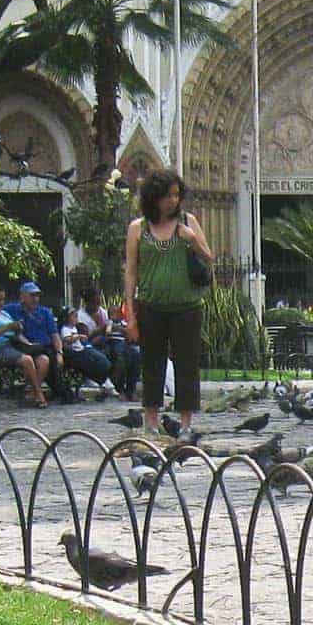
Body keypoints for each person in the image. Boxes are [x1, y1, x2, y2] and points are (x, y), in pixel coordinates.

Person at [123, 167, 212, 442]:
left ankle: (185, 424)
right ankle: (150, 422)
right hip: (151, 305)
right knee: (152, 365)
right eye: (167, 195)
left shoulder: (188, 222)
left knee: (187, 365)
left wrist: (193, 239)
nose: (173, 201)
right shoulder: (138, 229)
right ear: (154, 197)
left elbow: (209, 257)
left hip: (186, 306)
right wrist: (130, 314)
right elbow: (131, 271)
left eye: (176, 195)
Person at [0, 289, 48, 407]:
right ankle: (39, 394)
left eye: (3, 299)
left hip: (16, 344)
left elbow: (17, 334)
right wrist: (7, 328)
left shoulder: (5, 314)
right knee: (27, 360)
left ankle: (31, 392)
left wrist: (26, 340)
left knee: (43, 359)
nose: (2, 303)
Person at [13, 281, 74, 401]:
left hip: (46, 349)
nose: (36, 299)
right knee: (43, 360)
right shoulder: (14, 309)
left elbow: (55, 335)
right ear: (22, 297)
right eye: (32, 295)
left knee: (48, 360)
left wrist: (59, 353)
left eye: (37, 295)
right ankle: (38, 392)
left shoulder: (45, 312)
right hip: (28, 348)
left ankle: (34, 391)